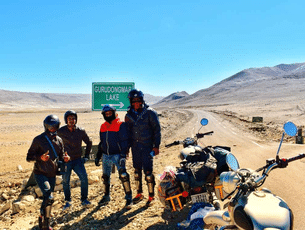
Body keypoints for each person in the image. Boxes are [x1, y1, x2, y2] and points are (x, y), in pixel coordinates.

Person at [26, 114, 64, 230]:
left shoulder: (59, 141)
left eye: (55, 126)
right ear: (45, 126)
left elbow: (61, 157)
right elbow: (28, 157)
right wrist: (40, 158)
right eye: (50, 126)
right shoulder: (39, 140)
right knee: (49, 196)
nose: (52, 129)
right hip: (40, 173)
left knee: (48, 199)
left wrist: (65, 159)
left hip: (52, 174)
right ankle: (46, 226)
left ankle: (42, 217)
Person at [125, 89, 161, 207]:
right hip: (135, 147)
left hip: (147, 147)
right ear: (130, 101)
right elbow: (128, 133)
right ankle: (139, 194)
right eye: (133, 100)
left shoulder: (150, 112)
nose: (136, 103)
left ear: (141, 100)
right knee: (136, 172)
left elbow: (157, 130)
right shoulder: (128, 115)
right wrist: (126, 149)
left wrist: (156, 146)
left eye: (138, 100)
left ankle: (151, 196)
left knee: (148, 172)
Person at [95, 104, 133, 209]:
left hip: (117, 154)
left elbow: (125, 142)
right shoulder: (103, 126)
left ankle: (129, 197)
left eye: (109, 113)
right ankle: (106, 196)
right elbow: (101, 142)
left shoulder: (121, 125)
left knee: (123, 175)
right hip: (106, 155)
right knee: (105, 176)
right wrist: (98, 155)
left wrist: (123, 155)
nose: (108, 115)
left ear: (113, 113)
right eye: (106, 113)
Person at [57, 110, 92, 210]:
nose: (72, 121)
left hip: (77, 160)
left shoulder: (80, 131)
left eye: (73, 119)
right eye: (69, 119)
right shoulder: (61, 131)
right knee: (65, 181)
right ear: (66, 120)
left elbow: (89, 142)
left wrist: (86, 156)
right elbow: (54, 142)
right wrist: (60, 156)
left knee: (84, 178)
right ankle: (68, 201)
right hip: (66, 161)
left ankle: (84, 199)